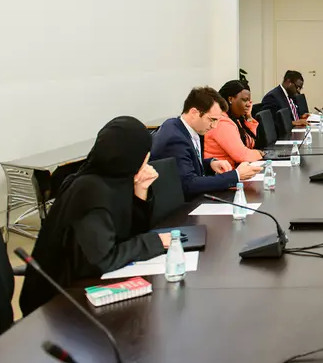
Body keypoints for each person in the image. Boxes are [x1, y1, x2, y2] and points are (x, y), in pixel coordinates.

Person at [20, 117, 170, 316]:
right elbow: (102, 260)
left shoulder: (116, 180)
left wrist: (140, 191)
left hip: (80, 288)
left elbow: (129, 234)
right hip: (59, 304)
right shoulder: (90, 191)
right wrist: (154, 242)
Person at [151, 87, 261, 197]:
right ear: (194, 113)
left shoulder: (181, 127)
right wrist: (235, 175)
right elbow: (188, 184)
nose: (214, 126)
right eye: (212, 120)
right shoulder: (175, 138)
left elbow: (182, 165)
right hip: (181, 207)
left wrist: (210, 163)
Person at [204, 80, 266, 167]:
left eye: (249, 101)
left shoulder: (236, 119)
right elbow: (242, 156)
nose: (248, 104)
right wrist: (258, 153)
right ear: (230, 99)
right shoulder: (222, 122)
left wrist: (248, 118)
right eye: (245, 100)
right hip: (224, 175)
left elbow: (251, 143)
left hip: (234, 172)